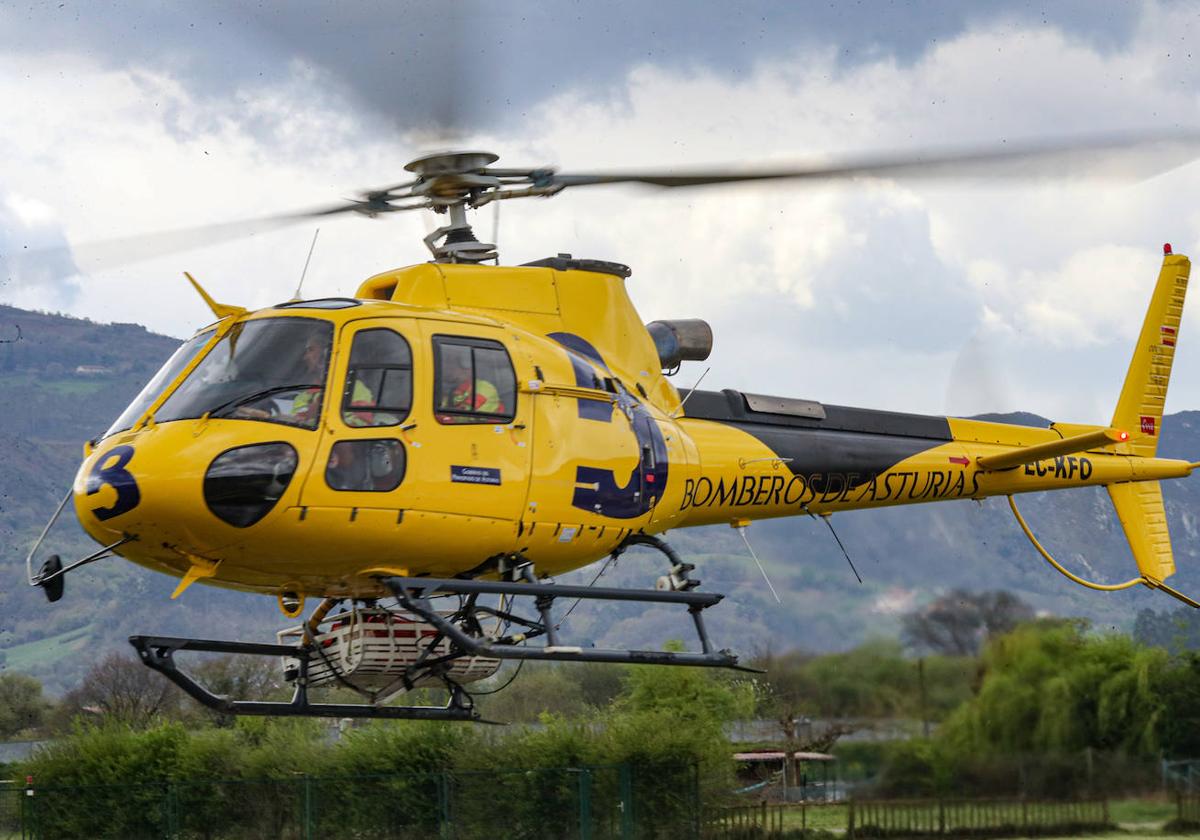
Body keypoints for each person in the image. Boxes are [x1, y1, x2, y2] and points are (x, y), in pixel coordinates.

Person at [437, 352, 505, 423]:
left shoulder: (484, 388)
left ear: (467, 369)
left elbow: (464, 416)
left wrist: (443, 417)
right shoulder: (452, 389)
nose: (447, 370)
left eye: (452, 367)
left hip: (487, 431)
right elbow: (439, 408)